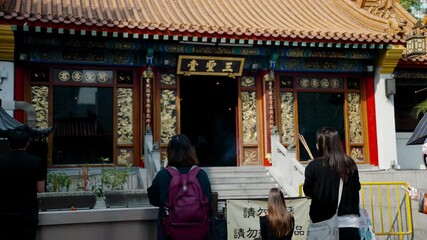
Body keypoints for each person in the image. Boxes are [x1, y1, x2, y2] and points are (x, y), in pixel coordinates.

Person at [147, 134, 212, 240]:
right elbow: (208, 200)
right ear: (190, 151)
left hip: (170, 233)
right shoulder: (201, 175)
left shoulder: (163, 175)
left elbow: (153, 199)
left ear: (170, 152)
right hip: (199, 233)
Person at [303, 127, 361, 240]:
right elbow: (356, 187)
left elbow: (308, 192)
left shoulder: (313, 166)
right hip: (350, 224)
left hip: (323, 225)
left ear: (320, 145)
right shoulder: (350, 164)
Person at [0, 128, 46, 240]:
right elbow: (40, 189)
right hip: (28, 213)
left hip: (4, 213)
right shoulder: (36, 161)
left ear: (8, 143)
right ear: (27, 143)